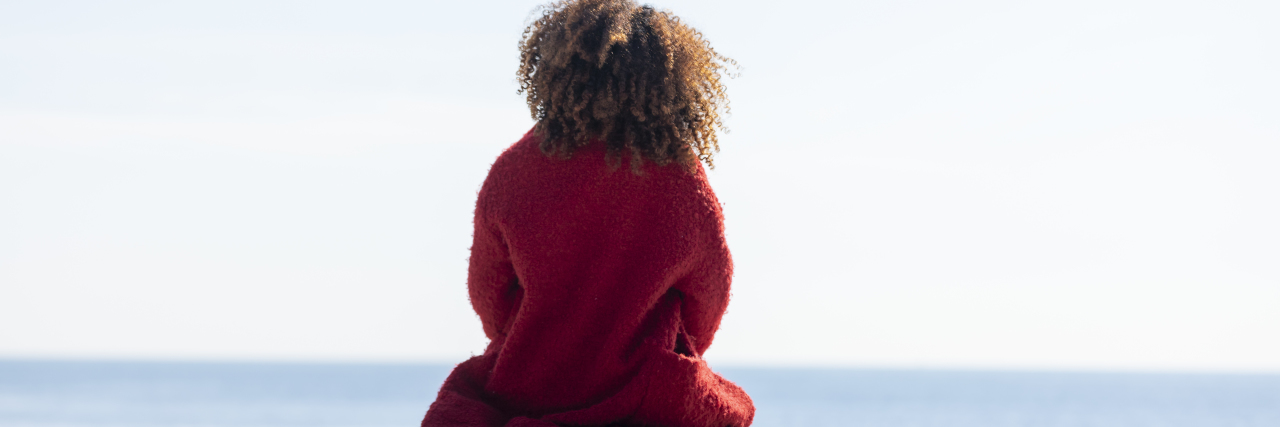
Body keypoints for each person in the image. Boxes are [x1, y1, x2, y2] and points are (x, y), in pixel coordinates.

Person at [421, 1, 751, 425]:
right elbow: (709, 297)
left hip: (528, 388)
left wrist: (535, 339)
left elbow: (489, 295)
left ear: (556, 73)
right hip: (643, 395)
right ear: (669, 82)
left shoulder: (513, 170)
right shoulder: (682, 178)